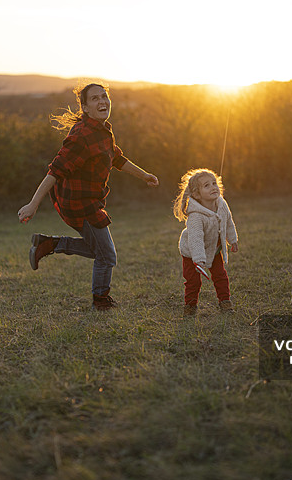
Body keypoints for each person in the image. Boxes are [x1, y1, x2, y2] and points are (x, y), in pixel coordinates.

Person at [17, 82, 159, 311]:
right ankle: (100, 301)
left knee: (99, 250)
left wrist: (144, 176)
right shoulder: (82, 135)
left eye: (104, 96)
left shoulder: (103, 131)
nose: (102, 101)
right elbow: (55, 171)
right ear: (85, 107)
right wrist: (33, 204)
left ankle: (49, 244)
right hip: (79, 204)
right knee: (107, 256)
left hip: (90, 201)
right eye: (95, 98)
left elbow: (117, 158)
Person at [173, 168, 239, 315]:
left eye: (214, 183)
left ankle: (225, 302)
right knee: (193, 281)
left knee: (220, 276)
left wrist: (232, 240)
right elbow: (195, 239)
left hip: (213, 249)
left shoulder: (221, 204)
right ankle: (190, 307)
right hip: (192, 254)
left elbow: (228, 222)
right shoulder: (195, 216)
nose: (213, 187)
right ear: (197, 194)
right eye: (207, 185)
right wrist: (199, 260)